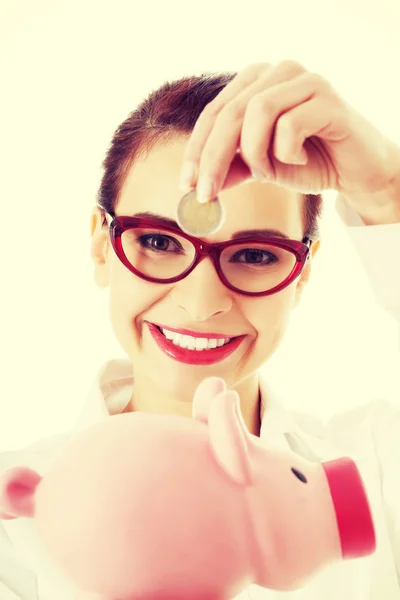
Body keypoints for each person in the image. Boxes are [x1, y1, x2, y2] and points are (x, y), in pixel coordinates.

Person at [0, 60, 399, 600]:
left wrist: (385, 192)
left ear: (302, 273)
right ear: (101, 245)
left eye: (256, 254)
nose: (201, 302)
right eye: (160, 242)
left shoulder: (377, 469)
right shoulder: (13, 526)